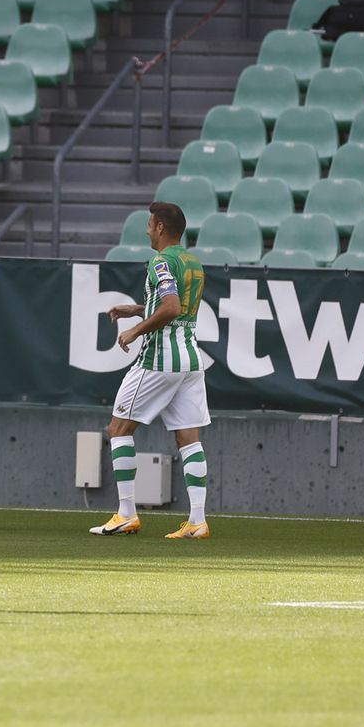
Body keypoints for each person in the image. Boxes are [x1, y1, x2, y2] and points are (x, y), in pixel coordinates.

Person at [89, 202, 212, 540]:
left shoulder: (160, 262)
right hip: (190, 359)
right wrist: (137, 309)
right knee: (188, 438)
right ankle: (197, 520)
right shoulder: (193, 262)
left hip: (159, 358)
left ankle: (126, 513)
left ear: (160, 227)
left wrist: (135, 330)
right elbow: (178, 307)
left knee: (118, 429)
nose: (146, 231)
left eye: (149, 225)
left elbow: (170, 308)